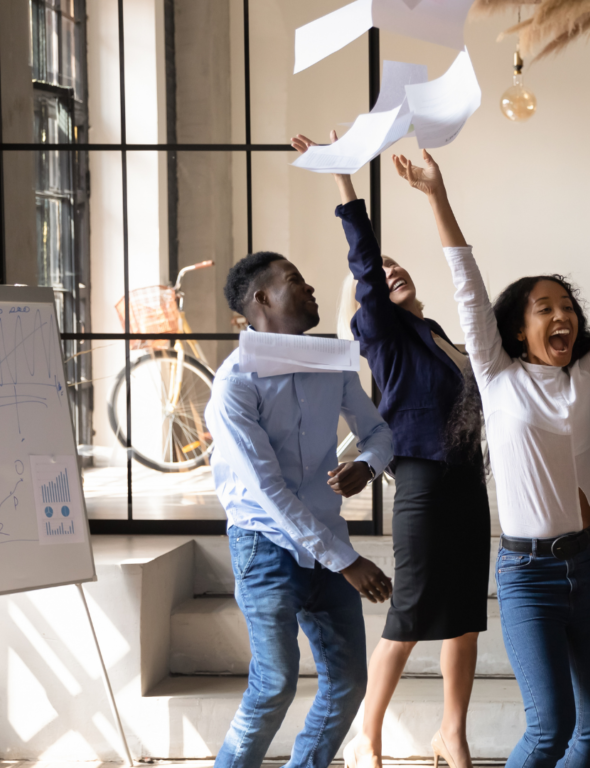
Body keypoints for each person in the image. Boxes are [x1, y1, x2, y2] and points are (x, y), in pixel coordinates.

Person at [394, 147, 590, 768]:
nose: (563, 317)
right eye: (546, 309)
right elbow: (466, 281)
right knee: (549, 730)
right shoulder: (495, 373)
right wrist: (437, 195)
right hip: (528, 576)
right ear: (518, 330)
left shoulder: (588, 376)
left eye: (568, 309)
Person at [290, 131, 490, 768]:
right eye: (384, 272)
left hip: (467, 484)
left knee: (465, 615)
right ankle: (368, 734)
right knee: (409, 613)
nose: (392, 271)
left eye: (401, 267)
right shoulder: (385, 339)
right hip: (424, 484)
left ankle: (450, 735)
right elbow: (366, 267)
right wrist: (346, 181)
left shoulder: (433, 335)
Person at [205, 250, 395, 768]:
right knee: (274, 683)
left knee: (350, 682)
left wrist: (368, 465)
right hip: (264, 544)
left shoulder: (330, 361)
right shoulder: (234, 384)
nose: (311, 289)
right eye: (296, 281)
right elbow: (270, 492)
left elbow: (379, 431)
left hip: (326, 539)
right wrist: (347, 561)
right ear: (261, 300)